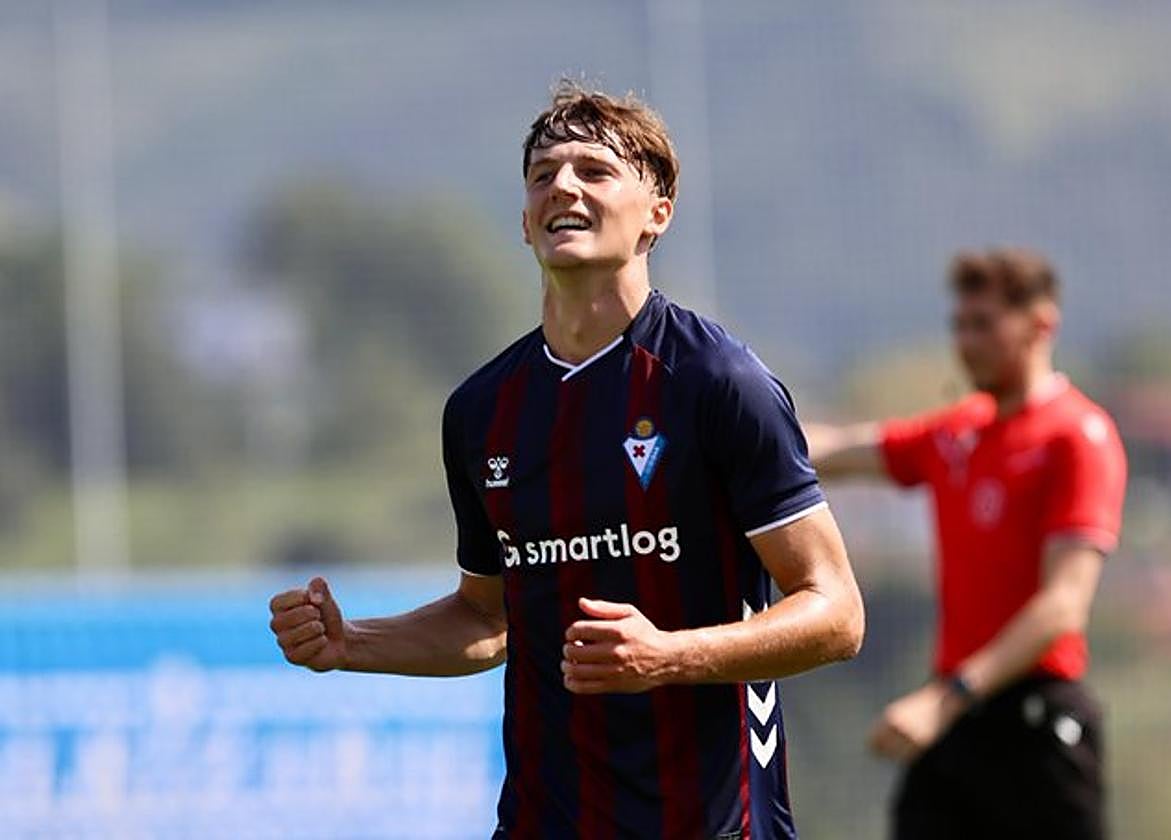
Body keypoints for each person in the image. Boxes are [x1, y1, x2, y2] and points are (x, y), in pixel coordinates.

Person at [268, 82, 864, 839]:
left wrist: (668, 655)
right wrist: (354, 643)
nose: (564, 187)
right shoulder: (482, 411)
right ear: (524, 222)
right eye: (543, 174)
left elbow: (838, 613)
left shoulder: (719, 383)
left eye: (594, 170)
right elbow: (489, 619)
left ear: (658, 213)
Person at [807, 248, 1127, 840]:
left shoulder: (1077, 437)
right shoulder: (959, 432)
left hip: (1035, 723)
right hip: (956, 729)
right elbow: (840, 449)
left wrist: (945, 700)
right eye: (959, 324)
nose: (965, 341)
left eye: (983, 324)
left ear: (1040, 324)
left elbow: (1064, 605)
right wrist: (736, 428)